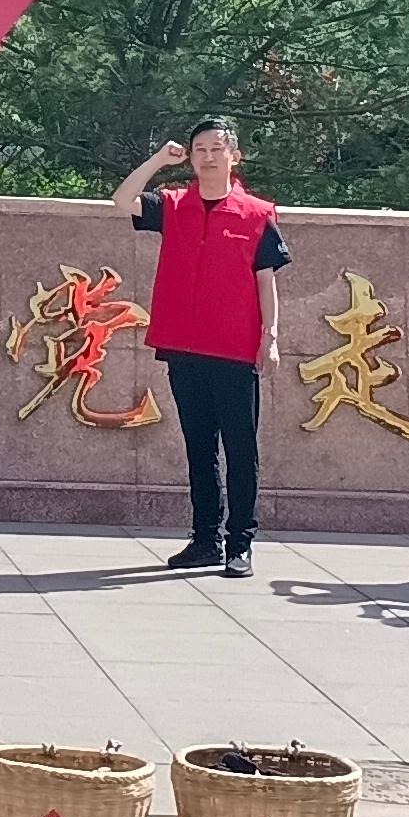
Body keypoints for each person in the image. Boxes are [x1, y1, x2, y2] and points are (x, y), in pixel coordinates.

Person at [112, 116, 286, 579]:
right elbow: (122, 200)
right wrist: (158, 159)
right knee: (199, 447)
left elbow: (265, 281)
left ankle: (240, 543)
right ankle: (205, 540)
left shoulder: (257, 214)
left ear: (234, 156)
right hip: (184, 347)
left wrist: (270, 336)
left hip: (235, 348)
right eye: (199, 149)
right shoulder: (173, 206)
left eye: (216, 149)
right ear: (190, 157)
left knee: (241, 448)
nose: (208, 157)